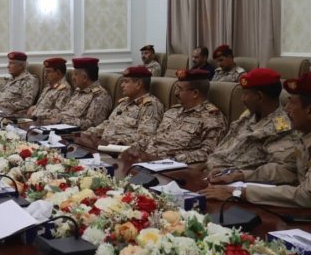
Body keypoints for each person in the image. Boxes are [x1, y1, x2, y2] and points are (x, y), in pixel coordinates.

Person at [200, 72, 311, 207]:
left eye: (292, 103)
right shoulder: (305, 136)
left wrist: (239, 192)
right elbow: (288, 170)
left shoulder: (287, 127)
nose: (287, 109)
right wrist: (240, 175)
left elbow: (306, 196)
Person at [205, 68, 299, 184]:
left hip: (234, 184)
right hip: (212, 174)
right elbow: (222, 151)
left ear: (259, 96)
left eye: (245, 94)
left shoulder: (281, 127)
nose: (242, 99)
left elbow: (282, 171)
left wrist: (238, 175)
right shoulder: (248, 116)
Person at [122, 69, 227, 164]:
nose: (176, 93)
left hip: (174, 166)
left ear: (195, 93)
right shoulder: (172, 111)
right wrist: (131, 149)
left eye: (180, 89)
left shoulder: (211, 118)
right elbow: (153, 137)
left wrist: (172, 160)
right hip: (147, 160)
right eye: (176, 88)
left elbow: (208, 153)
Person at [85, 66, 164, 145]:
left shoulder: (150, 105)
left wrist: (117, 143)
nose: (122, 85)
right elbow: (108, 124)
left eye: (126, 82)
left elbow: (144, 137)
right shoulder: (125, 102)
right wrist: (87, 134)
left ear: (138, 84)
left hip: (121, 149)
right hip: (104, 145)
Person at [40, 57, 112, 130]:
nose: (73, 78)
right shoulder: (78, 91)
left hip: (73, 133)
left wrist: (62, 120)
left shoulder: (100, 96)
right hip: (59, 127)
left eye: (75, 74)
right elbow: (65, 112)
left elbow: (91, 124)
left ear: (84, 78)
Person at [0, 51, 39, 116]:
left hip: (12, 116)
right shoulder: (9, 80)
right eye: (8, 63)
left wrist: (0, 104)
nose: (8, 66)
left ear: (21, 66)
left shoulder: (29, 80)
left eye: (11, 63)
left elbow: (26, 103)